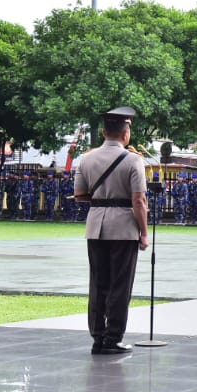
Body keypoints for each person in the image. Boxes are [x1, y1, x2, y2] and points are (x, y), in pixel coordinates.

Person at [74, 106, 149, 355]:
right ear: (126, 134)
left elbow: (79, 195)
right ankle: (113, 337)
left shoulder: (87, 158)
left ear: (104, 132)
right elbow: (138, 201)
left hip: (96, 226)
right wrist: (144, 232)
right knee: (120, 285)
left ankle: (97, 336)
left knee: (98, 283)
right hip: (124, 228)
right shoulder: (133, 160)